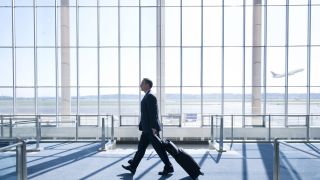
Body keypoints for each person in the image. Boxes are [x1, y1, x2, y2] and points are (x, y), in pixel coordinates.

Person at [122, 78, 174, 175]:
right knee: (141, 149)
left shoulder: (150, 96)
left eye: (142, 83)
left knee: (159, 149)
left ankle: (169, 166)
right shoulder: (147, 96)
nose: (140, 85)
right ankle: (133, 166)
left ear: (147, 85)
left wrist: (154, 128)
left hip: (151, 129)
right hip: (146, 129)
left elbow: (153, 113)